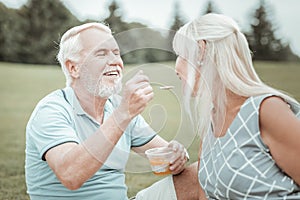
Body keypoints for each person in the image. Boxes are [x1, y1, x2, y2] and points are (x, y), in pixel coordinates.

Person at [25, 22, 200, 200]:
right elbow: (71, 175)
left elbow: (167, 156)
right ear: (73, 68)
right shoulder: (52, 110)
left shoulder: (117, 107)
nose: (115, 61)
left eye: (116, 53)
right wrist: (123, 114)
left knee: (198, 176)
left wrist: (177, 155)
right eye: (101, 53)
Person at [172, 13, 300, 199]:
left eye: (181, 55)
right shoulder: (211, 120)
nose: (176, 67)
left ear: (201, 51)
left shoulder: (267, 110)